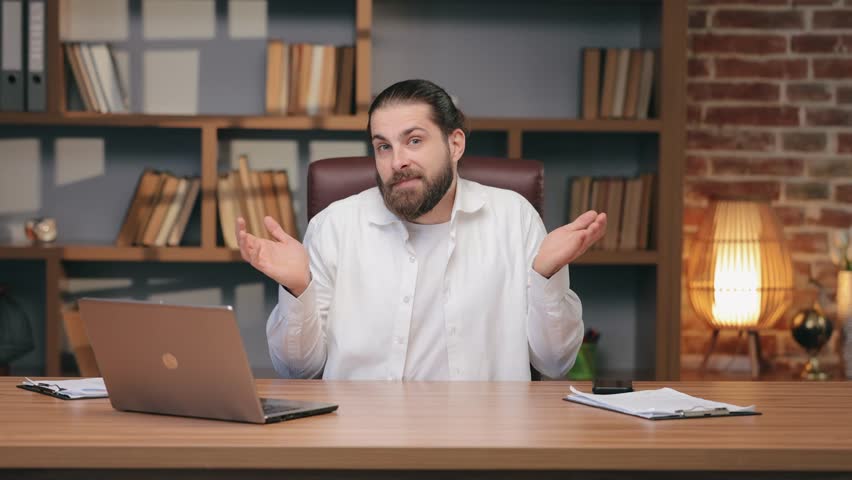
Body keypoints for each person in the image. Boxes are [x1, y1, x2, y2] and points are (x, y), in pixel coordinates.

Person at [237, 79, 607, 381]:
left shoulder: (514, 218)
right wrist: (297, 289)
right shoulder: (335, 226)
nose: (398, 161)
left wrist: (547, 276)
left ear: (455, 144)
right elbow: (297, 369)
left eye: (414, 140)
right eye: (383, 146)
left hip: (486, 444)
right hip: (357, 442)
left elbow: (555, 363)